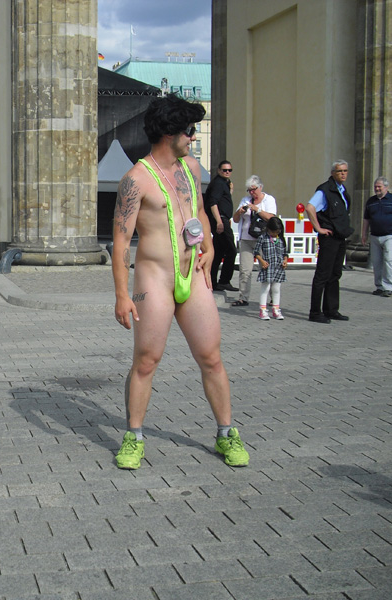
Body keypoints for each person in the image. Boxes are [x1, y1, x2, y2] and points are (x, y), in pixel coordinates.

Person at [111, 95, 249, 469]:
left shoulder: (190, 167)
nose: (192, 137)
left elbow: (200, 213)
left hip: (193, 275)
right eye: (189, 131)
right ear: (170, 132)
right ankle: (133, 437)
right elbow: (121, 242)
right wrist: (122, 295)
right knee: (146, 361)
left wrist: (206, 247)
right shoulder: (135, 180)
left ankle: (226, 434)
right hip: (154, 280)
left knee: (211, 358)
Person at [305, 160, 354, 323]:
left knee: (335, 274)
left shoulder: (342, 191)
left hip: (340, 236)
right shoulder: (325, 190)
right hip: (329, 237)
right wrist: (318, 228)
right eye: (340, 171)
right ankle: (315, 312)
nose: (343, 174)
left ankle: (331, 309)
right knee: (322, 275)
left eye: (345, 171)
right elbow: (310, 207)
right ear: (333, 172)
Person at [231, 176, 277, 307]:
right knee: (245, 270)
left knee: (268, 268)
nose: (251, 193)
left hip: (263, 240)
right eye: (249, 190)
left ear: (260, 187)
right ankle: (243, 297)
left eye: (254, 189)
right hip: (246, 239)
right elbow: (235, 219)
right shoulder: (245, 200)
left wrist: (257, 209)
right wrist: (239, 212)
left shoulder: (269, 200)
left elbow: (271, 218)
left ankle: (274, 297)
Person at [362, 176, 392, 297]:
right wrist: (364, 234)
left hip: (390, 235)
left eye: (379, 187)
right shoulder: (371, 201)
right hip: (375, 235)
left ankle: (389, 287)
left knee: (389, 260)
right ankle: (379, 286)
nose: (377, 189)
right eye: (375, 187)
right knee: (376, 262)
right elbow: (366, 219)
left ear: (386, 187)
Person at [205, 160, 238, 292]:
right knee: (231, 250)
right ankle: (224, 281)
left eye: (229, 170)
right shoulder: (218, 183)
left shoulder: (223, 183)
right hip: (220, 220)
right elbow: (213, 202)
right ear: (219, 171)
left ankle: (213, 281)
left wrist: (229, 192)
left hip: (222, 219)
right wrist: (219, 221)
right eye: (224, 170)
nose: (227, 172)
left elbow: (222, 201)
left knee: (218, 252)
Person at [253, 217, 289, 320]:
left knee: (276, 289)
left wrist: (285, 260)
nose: (274, 234)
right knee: (265, 288)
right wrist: (262, 261)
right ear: (268, 229)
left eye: (277, 232)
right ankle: (263, 310)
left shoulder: (281, 239)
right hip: (268, 267)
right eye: (272, 231)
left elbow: (285, 252)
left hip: (278, 267)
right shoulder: (263, 237)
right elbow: (256, 252)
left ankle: (276, 309)